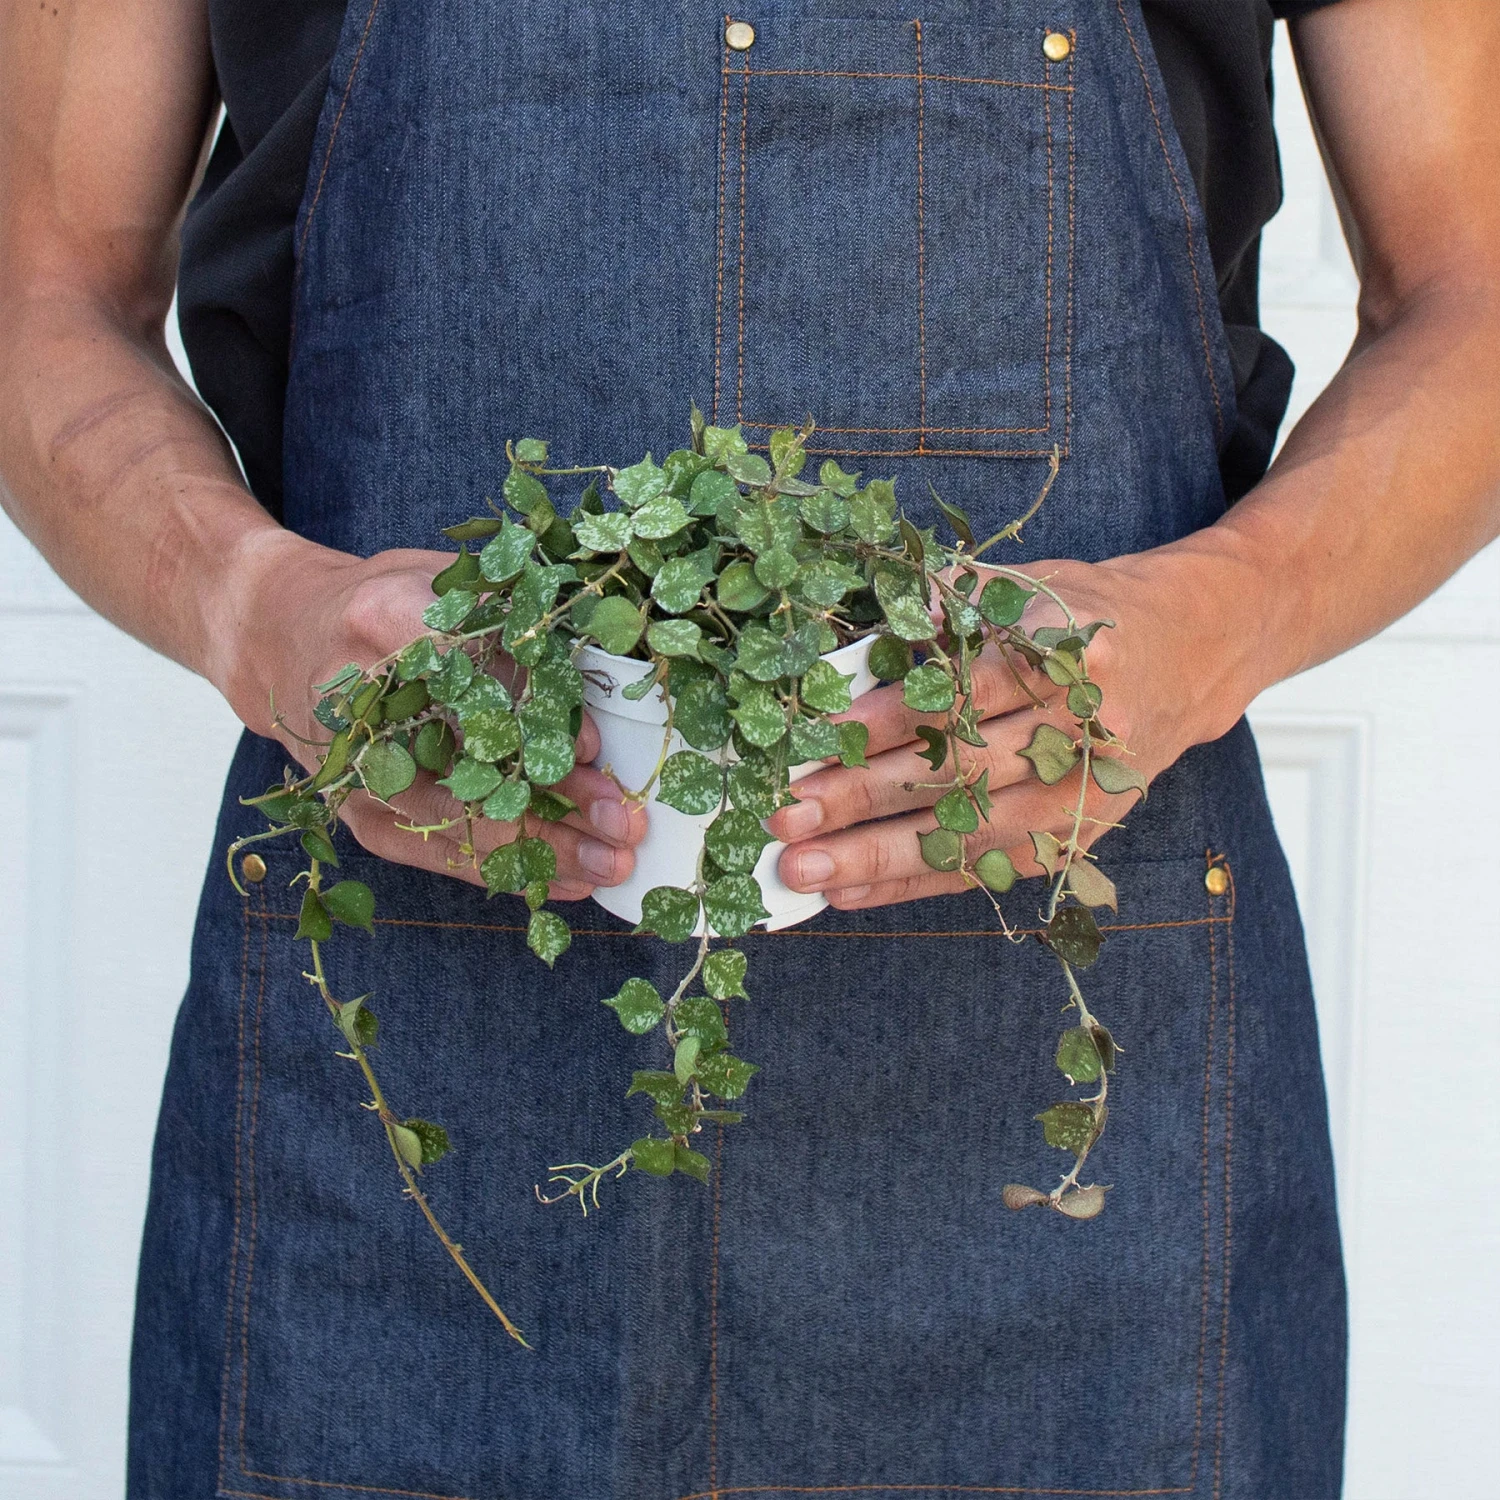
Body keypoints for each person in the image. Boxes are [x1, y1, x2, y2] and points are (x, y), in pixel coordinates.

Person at [2, 0, 1496, 1494]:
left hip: (1078, 1107)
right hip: (413, 1096)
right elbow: (44, 292)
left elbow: (1470, 291)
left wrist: (1216, 620)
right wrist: (247, 606)